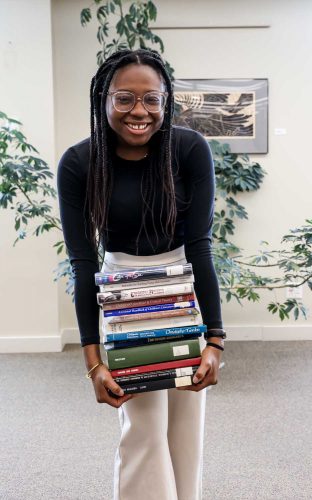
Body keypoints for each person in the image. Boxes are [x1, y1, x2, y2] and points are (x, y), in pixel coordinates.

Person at [57, 48, 225, 500]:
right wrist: (93, 362)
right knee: (144, 428)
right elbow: (83, 263)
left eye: (152, 99)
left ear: (167, 101)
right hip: (122, 297)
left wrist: (215, 339)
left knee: (186, 432)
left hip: (181, 288)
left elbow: (201, 247)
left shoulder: (191, 149)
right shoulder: (78, 163)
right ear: (104, 99)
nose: (139, 112)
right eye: (125, 98)